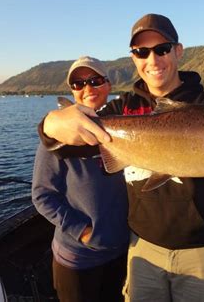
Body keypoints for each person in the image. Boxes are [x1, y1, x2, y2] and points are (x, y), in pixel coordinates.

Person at [39, 14, 204, 301]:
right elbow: (64, 145)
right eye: (141, 52)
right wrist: (50, 124)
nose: (153, 60)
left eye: (162, 49)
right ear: (133, 58)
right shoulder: (121, 110)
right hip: (142, 247)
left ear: (178, 51)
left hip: (201, 249)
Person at [32, 56, 129, 302]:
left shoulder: (125, 129)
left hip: (120, 251)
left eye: (95, 81)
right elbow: (42, 195)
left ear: (109, 85)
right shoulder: (58, 137)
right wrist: (82, 231)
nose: (88, 89)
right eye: (78, 84)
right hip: (78, 258)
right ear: (72, 91)